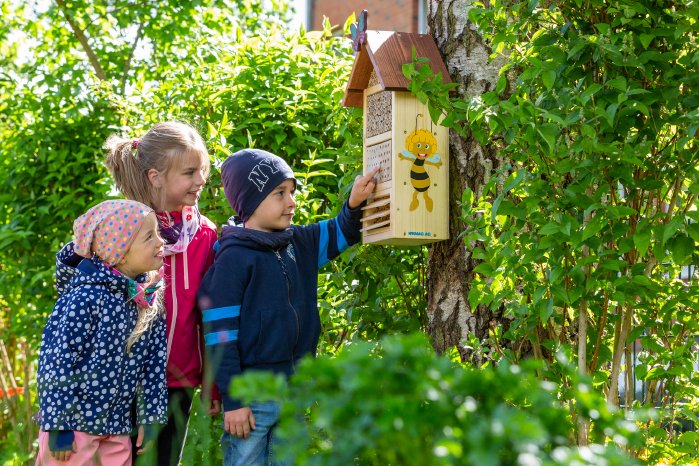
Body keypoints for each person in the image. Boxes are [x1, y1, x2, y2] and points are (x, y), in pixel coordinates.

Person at [197, 148, 379, 465]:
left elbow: (341, 232)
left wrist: (353, 204)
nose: (292, 202)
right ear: (250, 202)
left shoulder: (297, 242)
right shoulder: (232, 260)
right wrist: (234, 399)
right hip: (252, 395)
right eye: (280, 193)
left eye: (292, 191)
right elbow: (219, 336)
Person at [104, 121, 221, 466]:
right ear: (155, 176)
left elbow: (208, 313)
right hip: (122, 381)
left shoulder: (204, 235)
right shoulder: (123, 228)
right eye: (189, 173)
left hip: (178, 381)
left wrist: (212, 384)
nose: (200, 181)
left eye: (202, 170)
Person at [36, 200, 167, 465]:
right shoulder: (85, 297)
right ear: (119, 251)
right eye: (149, 237)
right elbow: (57, 362)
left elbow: (154, 365)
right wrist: (58, 425)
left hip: (116, 429)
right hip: (74, 431)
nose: (160, 242)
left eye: (159, 233)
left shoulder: (147, 298)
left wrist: (150, 418)